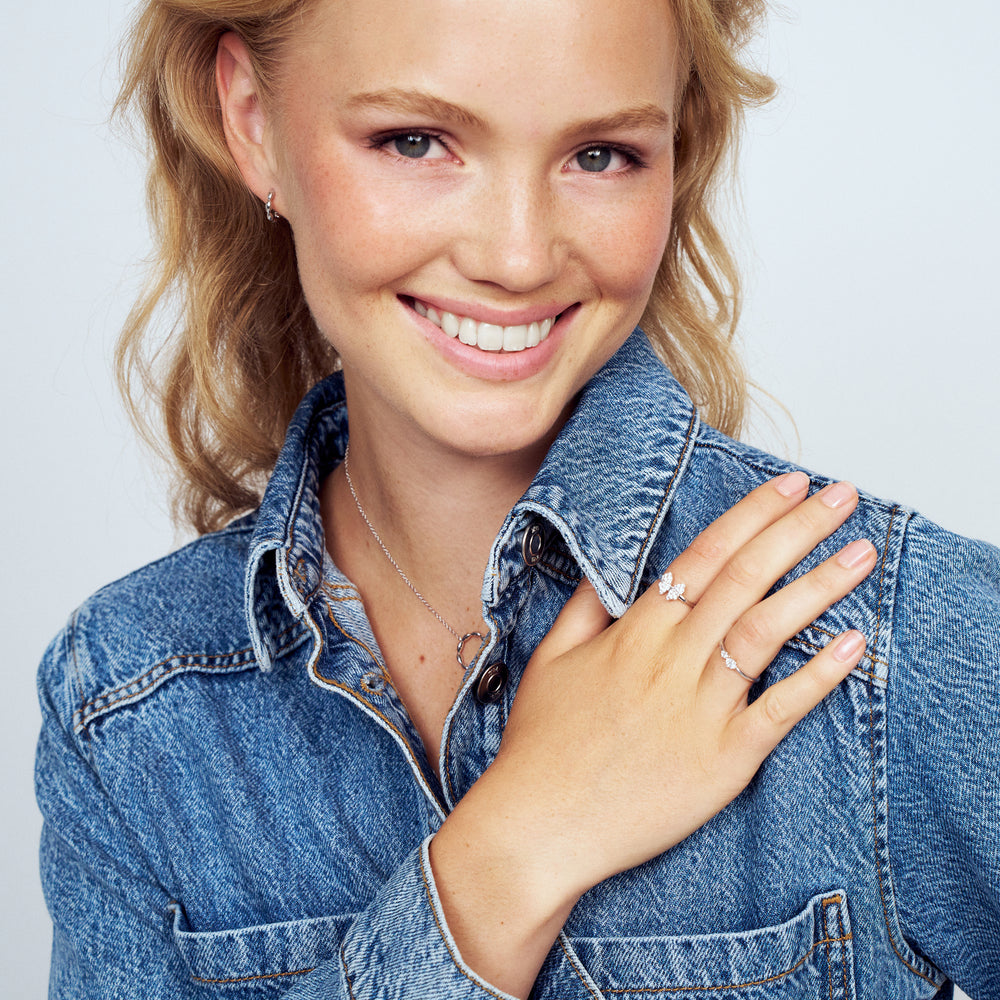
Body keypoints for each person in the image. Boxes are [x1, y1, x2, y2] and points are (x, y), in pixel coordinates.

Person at [34, 0, 999, 997]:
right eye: (416, 142)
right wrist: (519, 846)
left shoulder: (892, 639)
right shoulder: (127, 703)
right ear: (250, 118)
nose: (518, 256)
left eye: (601, 156)